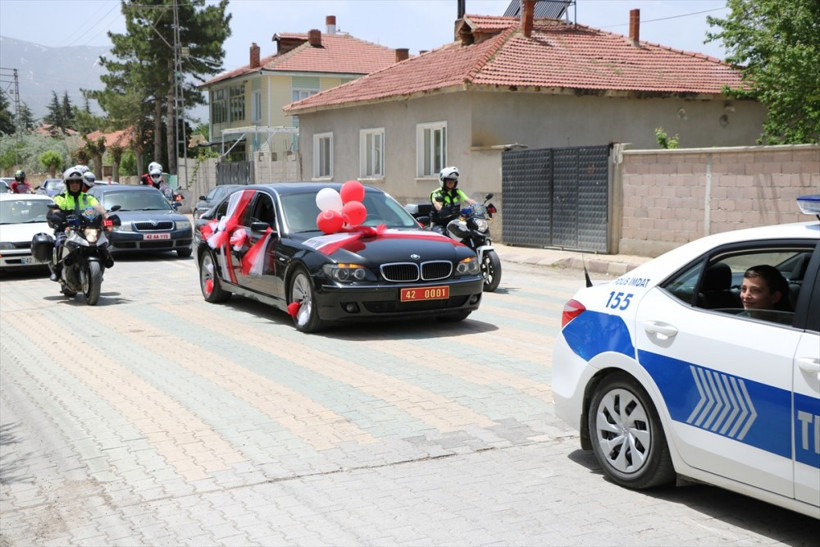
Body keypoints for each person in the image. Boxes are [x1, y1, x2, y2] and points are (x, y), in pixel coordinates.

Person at [47, 167, 110, 282]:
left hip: (84, 229)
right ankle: (56, 270)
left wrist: (106, 216)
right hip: (66, 228)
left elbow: (98, 208)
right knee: (59, 242)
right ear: (67, 183)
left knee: (102, 241)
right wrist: (57, 216)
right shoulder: (61, 198)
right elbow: (54, 210)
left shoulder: (88, 198)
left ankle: (101, 266)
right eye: (72, 182)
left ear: (81, 183)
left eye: (77, 181)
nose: (75, 184)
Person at [429, 166, 476, 233]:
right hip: (439, 224)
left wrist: (478, 206)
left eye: (453, 180)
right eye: (448, 180)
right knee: (442, 236)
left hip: (454, 222)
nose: (451, 182)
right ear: (443, 181)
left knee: (467, 232)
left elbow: (468, 200)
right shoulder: (436, 193)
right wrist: (443, 210)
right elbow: (437, 205)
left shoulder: (457, 192)